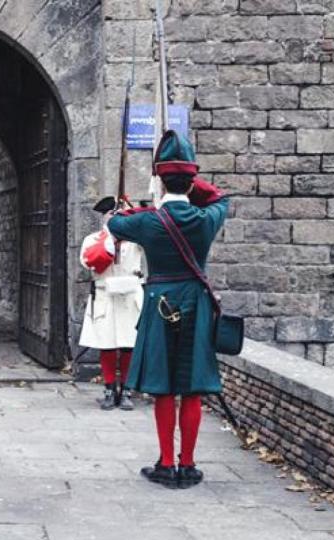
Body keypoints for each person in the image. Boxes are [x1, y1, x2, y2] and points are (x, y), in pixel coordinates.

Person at [107, 130, 229, 489]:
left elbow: (114, 222)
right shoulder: (207, 218)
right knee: (191, 389)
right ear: (191, 181)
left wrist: (149, 201)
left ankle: (164, 463)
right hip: (196, 301)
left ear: (159, 181)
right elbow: (218, 197)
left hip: (159, 300)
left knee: (164, 388)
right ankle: (187, 465)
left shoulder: (147, 221)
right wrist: (189, 182)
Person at [79, 196, 145, 411]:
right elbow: (90, 262)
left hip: (129, 297)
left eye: (120, 214)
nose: (116, 218)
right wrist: (110, 241)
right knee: (106, 344)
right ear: (104, 217)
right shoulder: (93, 239)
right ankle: (109, 389)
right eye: (111, 214)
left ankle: (125, 390)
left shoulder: (136, 239)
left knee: (128, 345)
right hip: (105, 295)